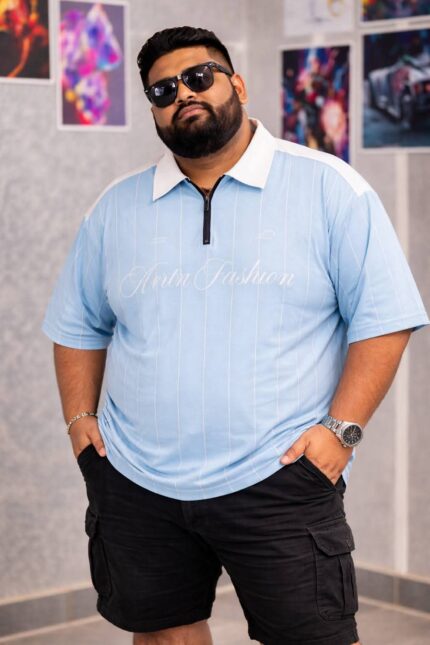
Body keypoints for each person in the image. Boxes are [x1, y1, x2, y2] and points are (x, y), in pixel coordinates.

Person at [42, 26, 429, 645]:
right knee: (164, 637)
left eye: (199, 77)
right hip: (136, 481)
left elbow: (385, 319)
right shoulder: (115, 208)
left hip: (280, 477)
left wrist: (342, 433)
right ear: (153, 110)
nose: (183, 94)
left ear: (237, 85)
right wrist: (79, 421)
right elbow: (77, 322)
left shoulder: (329, 187)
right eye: (163, 90)